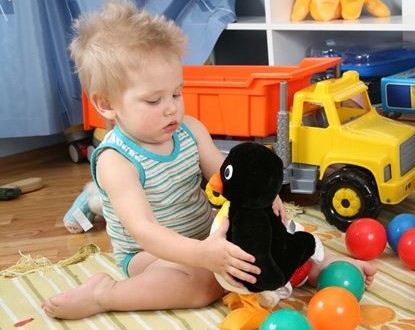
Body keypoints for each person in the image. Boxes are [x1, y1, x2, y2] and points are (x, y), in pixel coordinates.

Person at [42, 0, 376, 320]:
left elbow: (226, 175)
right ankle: (105, 294)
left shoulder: (189, 130)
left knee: (279, 232)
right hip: (152, 256)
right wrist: (203, 255)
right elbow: (145, 232)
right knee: (202, 285)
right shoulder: (116, 161)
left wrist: (262, 195)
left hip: (208, 232)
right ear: (106, 104)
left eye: (176, 92)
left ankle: (325, 263)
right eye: (154, 100)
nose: (171, 107)